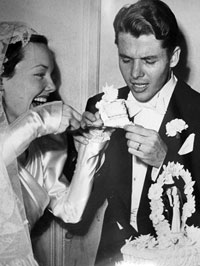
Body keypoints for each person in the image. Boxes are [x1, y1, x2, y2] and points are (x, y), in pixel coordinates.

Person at [79, 0, 200, 265]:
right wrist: (85, 149)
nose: (135, 74)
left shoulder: (198, 111)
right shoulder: (99, 105)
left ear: (174, 57)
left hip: (178, 253)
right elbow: (76, 195)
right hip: (113, 253)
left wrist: (166, 161)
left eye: (149, 60)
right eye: (126, 59)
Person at [0, 21, 109, 265]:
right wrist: (41, 119)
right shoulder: (37, 127)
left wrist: (90, 150)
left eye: (52, 76)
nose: (51, 87)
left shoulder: (44, 149)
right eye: (40, 74)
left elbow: (70, 211)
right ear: (1, 81)